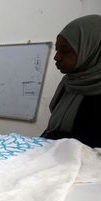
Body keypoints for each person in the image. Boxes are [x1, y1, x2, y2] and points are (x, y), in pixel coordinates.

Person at [41, 14, 101, 148]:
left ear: (91, 50)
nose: (56, 57)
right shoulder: (68, 82)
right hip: (53, 155)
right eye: (57, 50)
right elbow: (53, 130)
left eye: (65, 51)